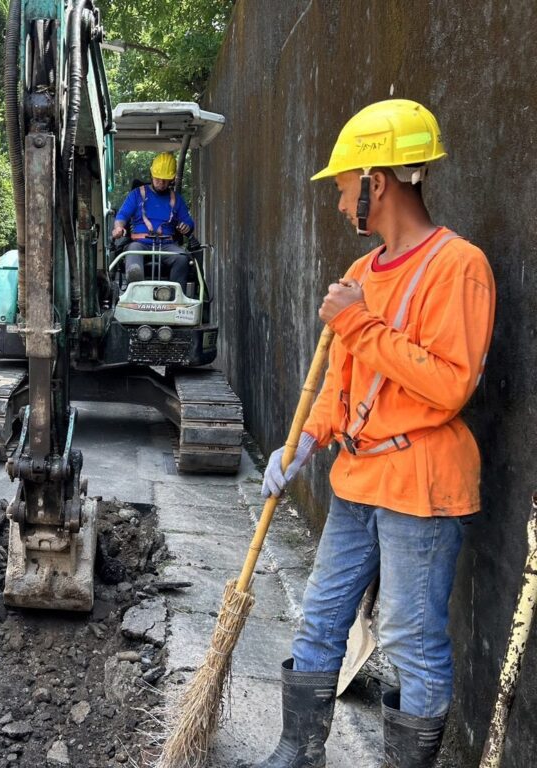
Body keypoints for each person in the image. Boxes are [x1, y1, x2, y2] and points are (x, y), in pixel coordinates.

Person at [256, 99, 496, 768]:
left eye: (341, 188)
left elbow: (450, 385)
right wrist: (302, 442)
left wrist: (362, 324)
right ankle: (297, 751)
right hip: (358, 478)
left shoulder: (459, 266)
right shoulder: (361, 276)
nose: (338, 204)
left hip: (422, 483)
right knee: (321, 614)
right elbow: (339, 388)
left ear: (377, 182)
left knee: (410, 639)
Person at [111, 153, 195, 286]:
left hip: (167, 244)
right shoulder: (136, 194)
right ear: (152, 175)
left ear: (172, 179)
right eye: (158, 179)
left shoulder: (176, 199)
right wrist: (118, 227)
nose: (161, 183)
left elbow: (188, 221)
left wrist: (187, 226)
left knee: (182, 258)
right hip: (140, 243)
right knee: (132, 252)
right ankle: (136, 289)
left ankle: (174, 297)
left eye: (165, 180)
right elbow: (122, 216)